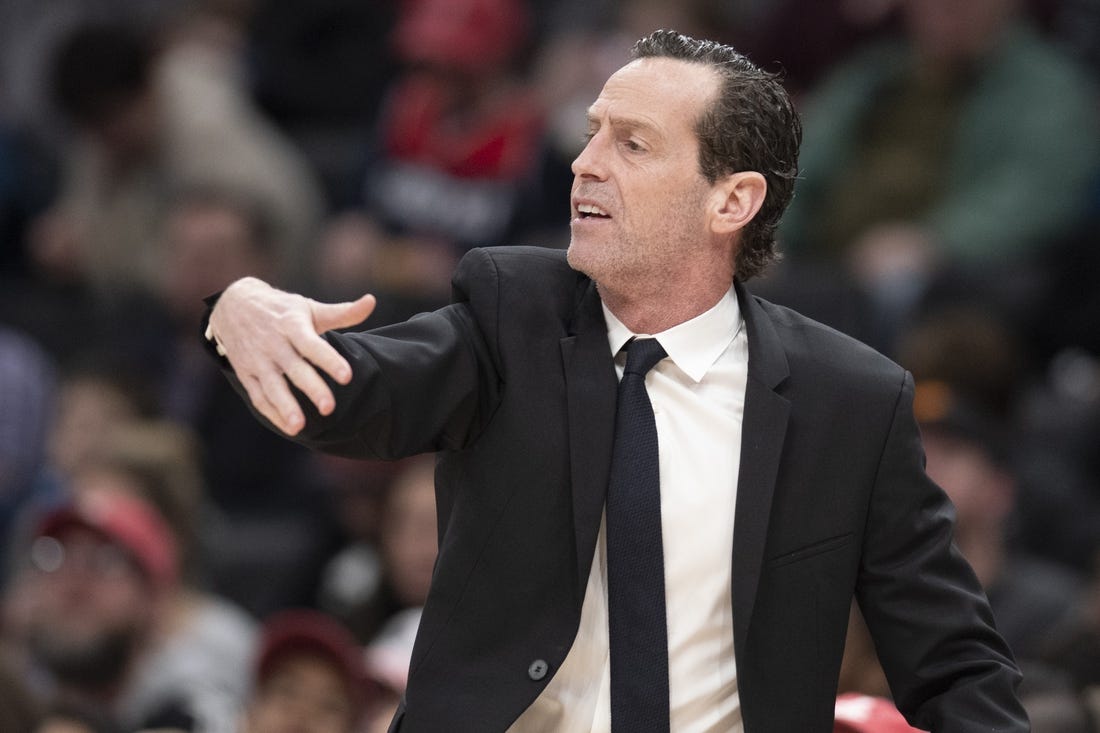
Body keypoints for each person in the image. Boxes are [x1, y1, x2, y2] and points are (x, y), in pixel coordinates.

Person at [205, 29, 1027, 732]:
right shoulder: (510, 315)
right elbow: (353, 393)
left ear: (731, 200)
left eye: (631, 144)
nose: (584, 162)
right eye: (593, 132)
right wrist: (239, 309)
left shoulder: (849, 400)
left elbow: (954, 665)